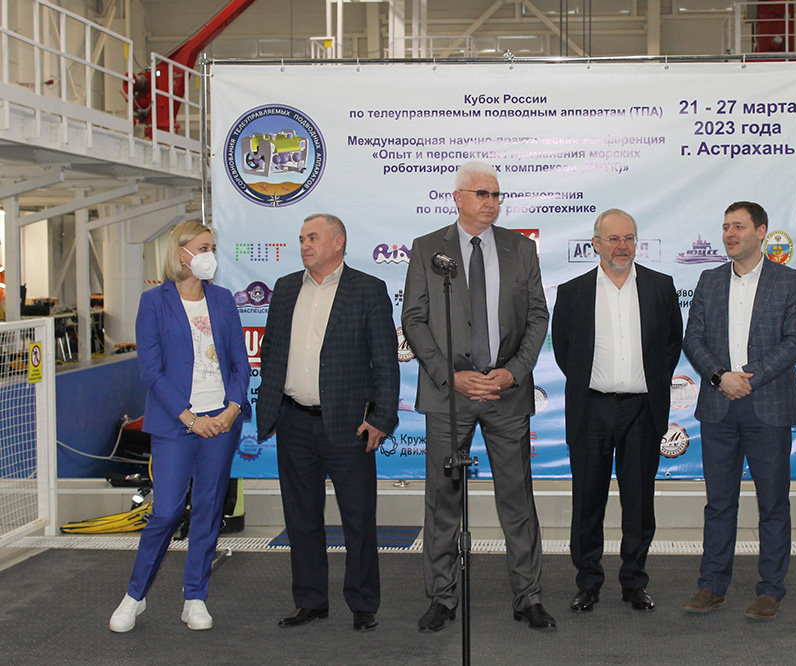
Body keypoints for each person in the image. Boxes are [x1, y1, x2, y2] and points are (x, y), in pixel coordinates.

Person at [401, 161, 553, 632]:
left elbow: (537, 316)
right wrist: (452, 377)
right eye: (482, 193)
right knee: (443, 500)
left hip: (506, 393)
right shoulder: (428, 249)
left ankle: (528, 596)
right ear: (458, 198)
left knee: (517, 498)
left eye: (496, 194)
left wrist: (513, 372)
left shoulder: (520, 248)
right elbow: (414, 319)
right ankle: (441, 597)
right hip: (450, 395)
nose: (491, 202)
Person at [255, 213, 399, 633]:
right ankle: (310, 601)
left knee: (358, 519)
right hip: (294, 422)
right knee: (301, 518)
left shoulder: (368, 289)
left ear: (338, 242)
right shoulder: (285, 288)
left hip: (349, 426)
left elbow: (386, 362)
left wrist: (381, 418)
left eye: (313, 238)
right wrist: (273, 406)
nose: (304, 245)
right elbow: (271, 350)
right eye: (302, 238)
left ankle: (363, 603)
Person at [110, 221, 250, 633]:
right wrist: (189, 418)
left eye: (212, 247)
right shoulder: (154, 301)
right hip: (176, 425)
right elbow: (151, 372)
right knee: (167, 511)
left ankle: (195, 596)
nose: (210, 254)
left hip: (221, 424)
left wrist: (232, 410)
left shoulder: (222, 300)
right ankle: (135, 595)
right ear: (181, 253)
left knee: (208, 509)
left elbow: (240, 363)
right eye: (203, 247)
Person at [681, 201, 796, 620]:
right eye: (725, 227)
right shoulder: (709, 280)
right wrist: (721, 377)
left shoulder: (788, 280)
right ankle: (712, 586)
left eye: (738, 226)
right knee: (719, 503)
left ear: (761, 231)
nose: (730, 234)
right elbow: (693, 338)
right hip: (719, 407)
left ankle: (771, 589)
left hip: (768, 406)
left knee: (773, 503)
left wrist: (749, 377)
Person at [551, 209, 683, 614]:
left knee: (639, 503)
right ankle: (588, 583)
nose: (621, 246)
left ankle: (634, 583)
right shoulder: (573, 292)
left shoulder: (661, 287)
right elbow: (564, 351)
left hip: (642, 411)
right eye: (612, 239)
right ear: (596, 244)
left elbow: (671, 344)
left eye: (628, 238)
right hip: (591, 410)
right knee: (587, 501)